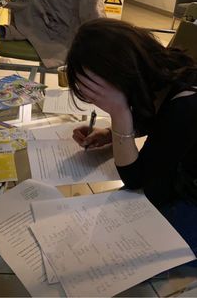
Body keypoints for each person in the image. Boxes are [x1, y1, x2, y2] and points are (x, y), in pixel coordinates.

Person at [66, 18, 197, 256]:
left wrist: (119, 112)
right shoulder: (162, 77)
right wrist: (110, 133)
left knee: (136, 248)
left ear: (121, 74)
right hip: (184, 173)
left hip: (190, 191)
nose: (95, 102)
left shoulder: (185, 107)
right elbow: (159, 120)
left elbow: (137, 180)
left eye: (97, 94)